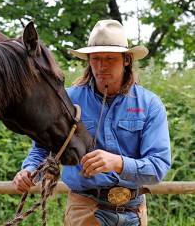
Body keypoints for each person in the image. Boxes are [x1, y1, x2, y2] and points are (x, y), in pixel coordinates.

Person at [12, 19, 171, 226]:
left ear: (126, 60)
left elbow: (158, 167)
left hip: (135, 210)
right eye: (95, 58)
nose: (101, 65)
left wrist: (118, 162)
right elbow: (42, 150)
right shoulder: (67, 101)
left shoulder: (150, 104)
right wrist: (30, 171)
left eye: (110, 58)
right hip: (84, 207)